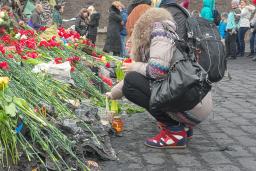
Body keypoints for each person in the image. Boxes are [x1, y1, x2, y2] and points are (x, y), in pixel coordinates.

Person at [106, 8, 212, 149]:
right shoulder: (166, 31)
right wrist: (113, 93)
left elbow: (156, 72)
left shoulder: (160, 33)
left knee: (132, 83)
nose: (130, 40)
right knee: (133, 80)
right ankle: (183, 127)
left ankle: (174, 131)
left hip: (191, 106)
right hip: (192, 102)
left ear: (139, 25)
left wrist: (135, 66)